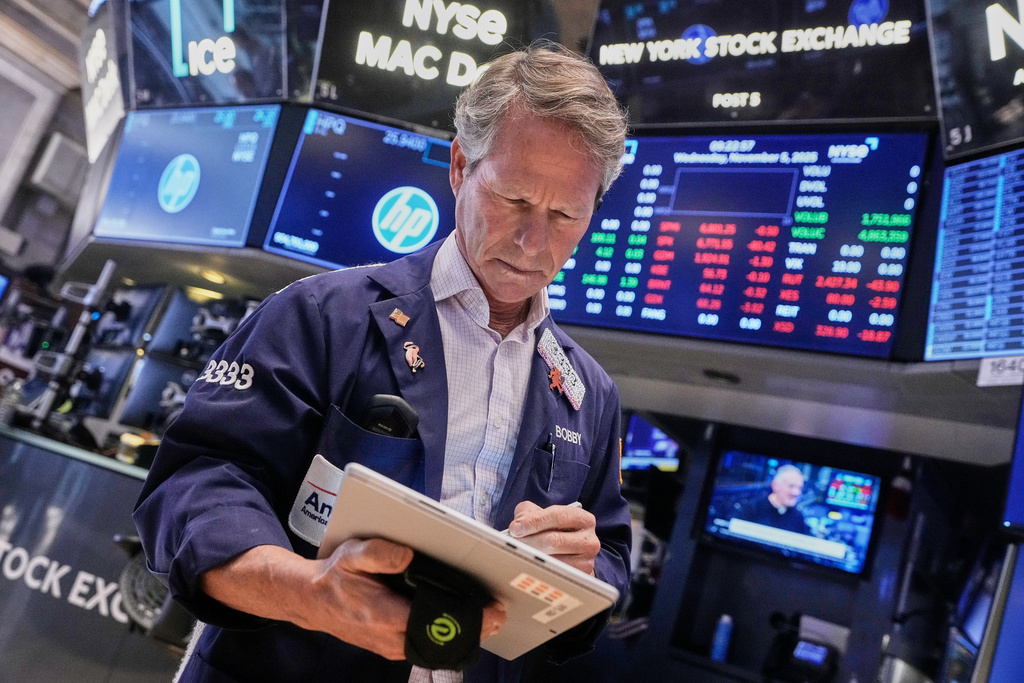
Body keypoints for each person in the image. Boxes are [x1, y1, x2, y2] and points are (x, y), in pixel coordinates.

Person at [134, 42, 632, 683]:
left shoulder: (590, 396)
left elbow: (611, 558)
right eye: (513, 200)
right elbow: (196, 484)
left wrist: (582, 570)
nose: (534, 241)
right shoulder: (321, 316)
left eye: (566, 214)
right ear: (460, 166)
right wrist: (311, 592)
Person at [736, 465, 811, 535]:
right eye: (791, 486)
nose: (796, 493)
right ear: (775, 485)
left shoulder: (798, 517)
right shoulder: (751, 507)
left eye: (800, 488)